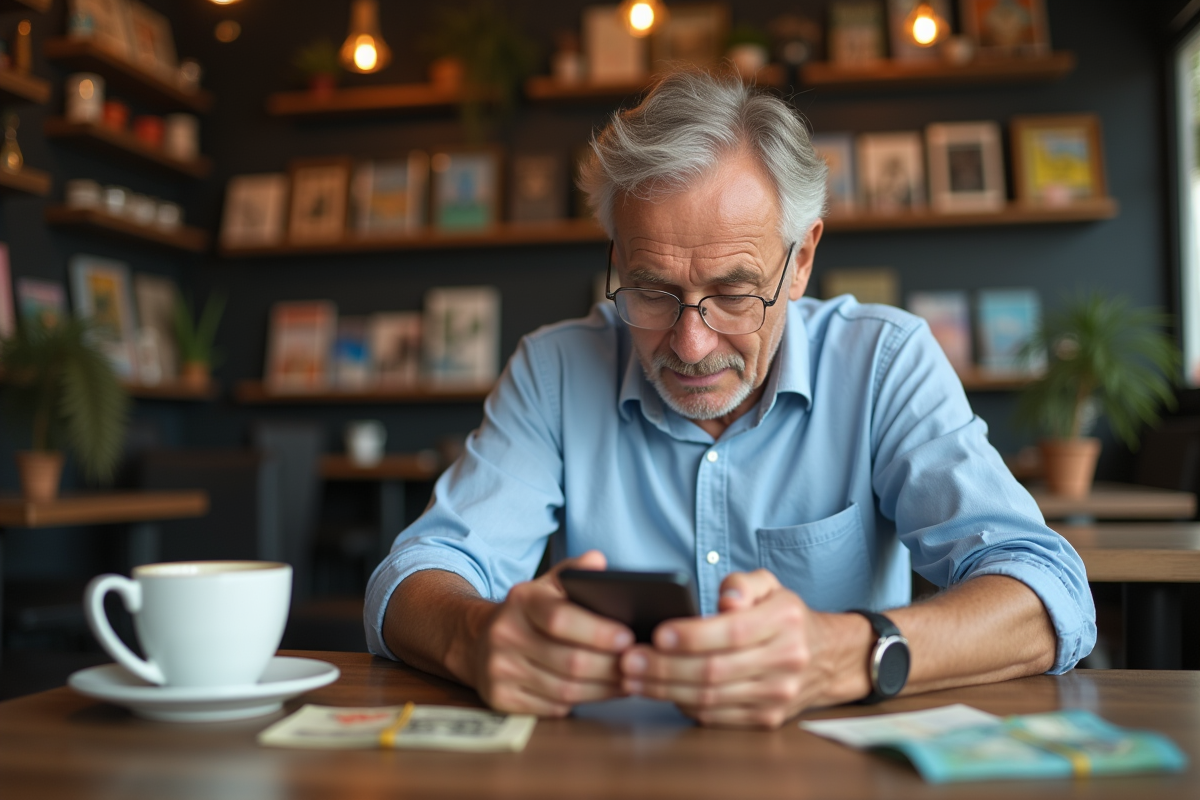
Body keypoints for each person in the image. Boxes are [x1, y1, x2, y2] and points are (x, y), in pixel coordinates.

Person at [365, 71, 1095, 729]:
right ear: (617, 255)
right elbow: (413, 576)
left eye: (735, 294)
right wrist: (477, 637)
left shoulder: (883, 361)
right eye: (652, 290)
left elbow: (1047, 593)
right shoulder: (554, 368)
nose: (689, 344)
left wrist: (845, 652)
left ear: (801, 258)